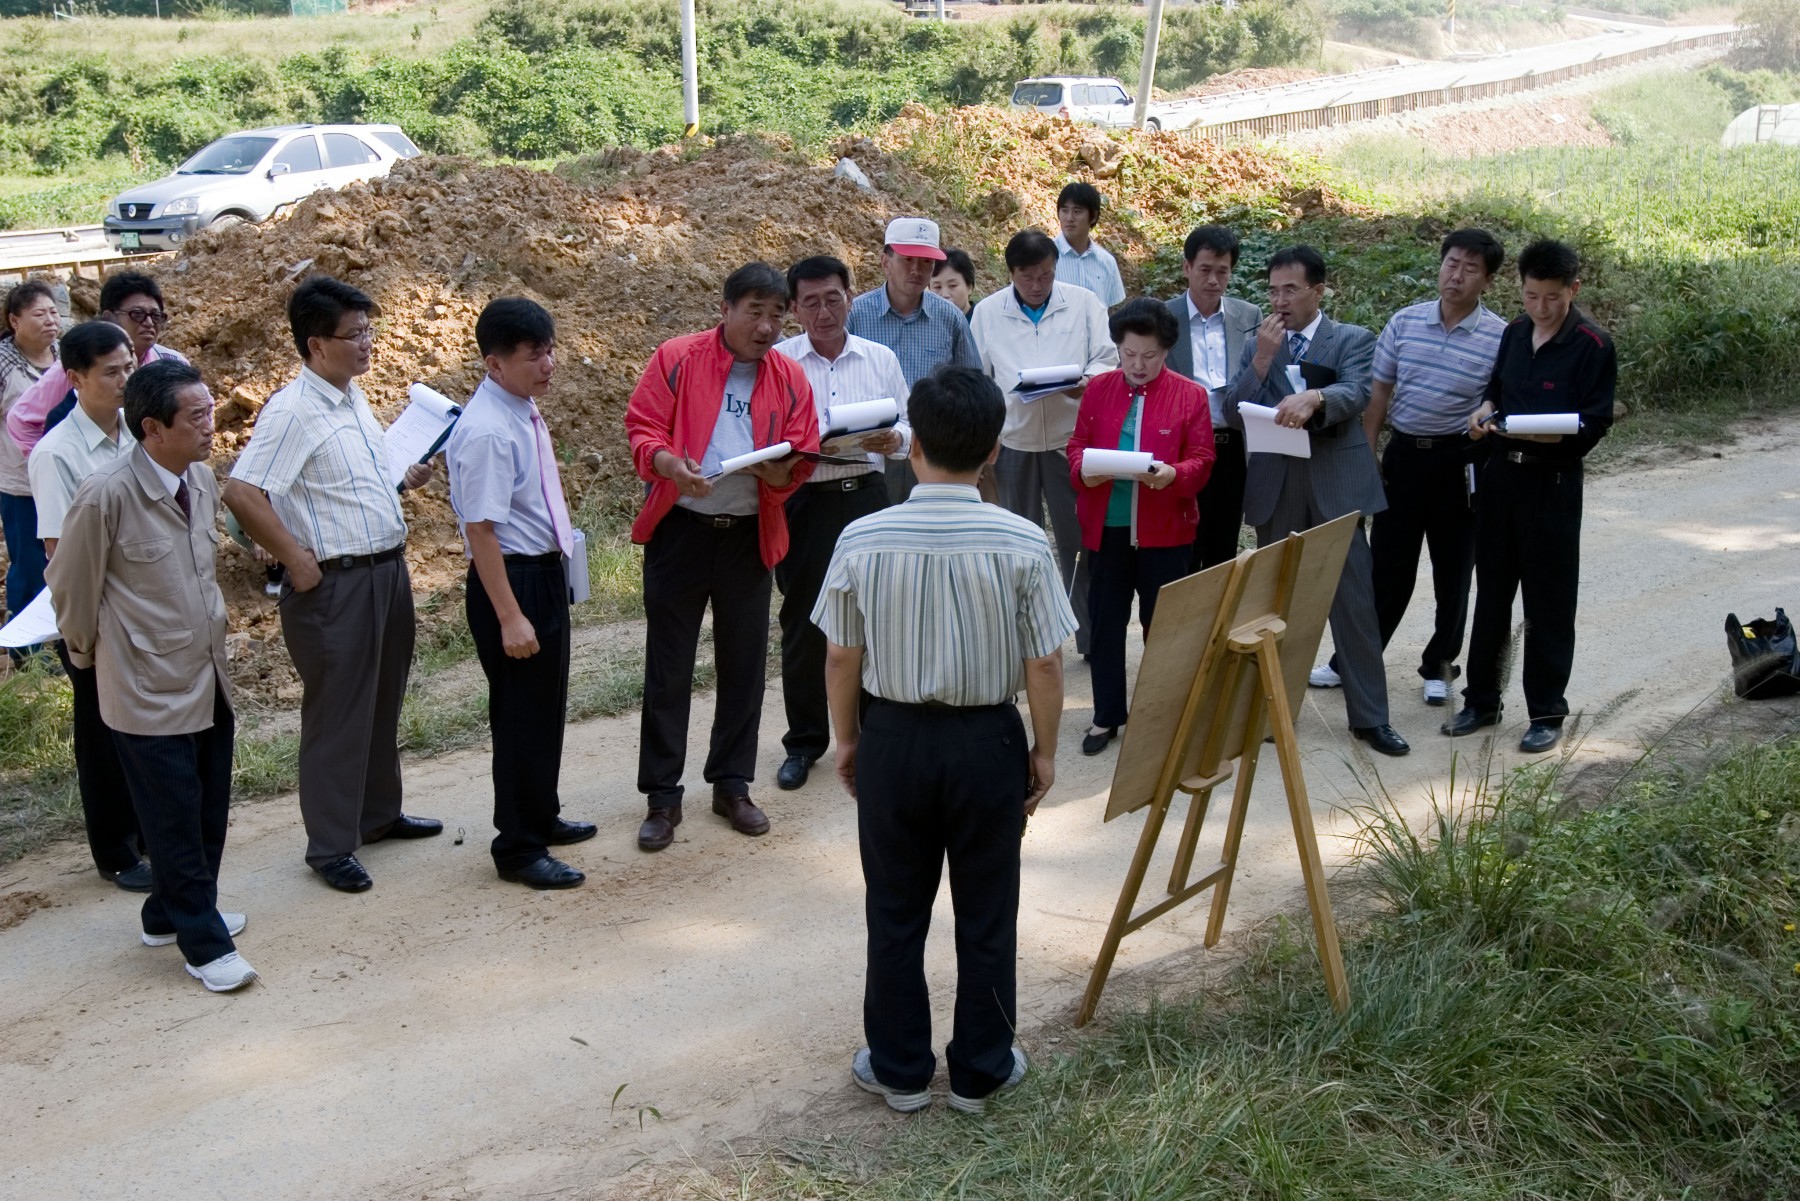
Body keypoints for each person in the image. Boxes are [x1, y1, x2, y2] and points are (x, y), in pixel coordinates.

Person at [813, 365, 1075, 1116]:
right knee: (986, 907)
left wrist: (849, 738)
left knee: (895, 908)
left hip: (893, 736)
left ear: (913, 444)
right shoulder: (1023, 540)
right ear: (994, 448)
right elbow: (1047, 661)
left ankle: (897, 1069)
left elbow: (840, 655)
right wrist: (1045, 752)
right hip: (988, 738)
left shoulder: (864, 535)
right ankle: (980, 1072)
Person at [223, 276, 441, 894]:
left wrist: (404, 478)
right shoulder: (293, 410)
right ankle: (330, 845)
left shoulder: (351, 400)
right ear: (317, 346)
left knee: (381, 700)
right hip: (334, 587)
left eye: (370, 330)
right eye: (356, 335)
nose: (368, 343)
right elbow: (242, 492)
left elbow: (341, 485)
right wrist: (294, 559)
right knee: (339, 714)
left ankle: (377, 815)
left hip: (383, 572)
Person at [46, 360, 255, 992]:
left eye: (209, 410)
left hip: (206, 674)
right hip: (143, 685)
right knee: (171, 817)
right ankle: (203, 942)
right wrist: (88, 658)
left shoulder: (199, 478)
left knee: (208, 807)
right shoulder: (105, 495)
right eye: (196, 417)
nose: (210, 425)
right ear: (152, 428)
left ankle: (168, 911)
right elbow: (70, 590)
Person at [625, 263, 820, 852]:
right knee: (669, 666)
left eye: (776, 314)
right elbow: (643, 427)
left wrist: (779, 470)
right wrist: (669, 465)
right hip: (681, 530)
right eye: (755, 312)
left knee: (744, 664)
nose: (766, 326)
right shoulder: (677, 358)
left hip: (746, 536)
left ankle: (731, 784)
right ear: (727, 309)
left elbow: (801, 454)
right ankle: (662, 797)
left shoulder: (788, 377)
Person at [1222, 245, 1408, 757]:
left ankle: (1370, 718)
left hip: (1335, 484)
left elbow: (1358, 391)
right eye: (1273, 289)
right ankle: (1268, 715)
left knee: (1353, 602)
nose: (1279, 300)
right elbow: (1233, 412)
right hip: (1276, 484)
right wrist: (1260, 361)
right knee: (1273, 606)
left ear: (1317, 291)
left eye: (1291, 289)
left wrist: (1316, 398)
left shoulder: (1351, 337)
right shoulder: (1257, 342)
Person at [445, 298, 596, 890]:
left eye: (550, 350)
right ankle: (518, 847)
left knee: (543, 710)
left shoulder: (519, 408)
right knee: (520, 718)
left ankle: (541, 814)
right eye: (535, 355)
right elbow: (480, 531)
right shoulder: (485, 429)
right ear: (494, 363)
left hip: (541, 575)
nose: (548, 364)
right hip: (512, 582)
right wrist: (511, 617)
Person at [1444, 239, 1616, 754]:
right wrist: (1485, 411)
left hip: (1553, 485)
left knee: (1548, 603)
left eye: (1551, 298)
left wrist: (1535, 432)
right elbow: (1496, 389)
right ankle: (1481, 700)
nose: (1540, 308)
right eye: (1531, 296)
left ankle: (1546, 712)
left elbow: (1594, 423)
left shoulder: (1592, 344)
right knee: (1492, 594)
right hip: (1502, 480)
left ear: (1574, 290)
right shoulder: (1516, 333)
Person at [770, 256, 910, 792]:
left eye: (833, 298)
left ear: (850, 297)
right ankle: (804, 743)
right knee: (804, 621)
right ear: (794, 309)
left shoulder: (879, 358)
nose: (824, 312)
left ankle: (874, 732)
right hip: (805, 501)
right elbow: (769, 439)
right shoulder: (780, 363)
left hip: (868, 497)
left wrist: (893, 440)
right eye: (810, 302)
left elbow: (909, 428)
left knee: (875, 615)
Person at [1353, 229, 1508, 706]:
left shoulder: (1500, 337)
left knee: (1454, 570)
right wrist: (1368, 455)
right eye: (1451, 263)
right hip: (1403, 456)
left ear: (1486, 280)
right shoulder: (1404, 322)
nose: (1456, 275)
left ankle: (1440, 665)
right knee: (1386, 566)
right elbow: (1378, 395)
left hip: (1460, 461)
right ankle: (1358, 661)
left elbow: (1497, 400)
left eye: (1469, 269)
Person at [29, 321, 147, 890]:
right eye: (111, 372)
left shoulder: (139, 431)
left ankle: (149, 833)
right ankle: (116, 851)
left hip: (146, 603)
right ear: (74, 378)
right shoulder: (56, 454)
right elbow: (62, 556)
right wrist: (87, 634)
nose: (125, 380)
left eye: (129, 367)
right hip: (96, 612)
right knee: (102, 734)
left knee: (147, 727)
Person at [1068, 299, 1215, 755]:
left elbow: (1203, 459)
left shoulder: (1190, 395)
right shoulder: (1099, 390)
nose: (1137, 365)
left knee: (1164, 626)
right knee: (1107, 624)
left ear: (1166, 351)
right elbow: (1078, 445)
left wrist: (1175, 475)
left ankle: (1164, 715)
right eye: (1128, 354)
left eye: (1148, 356)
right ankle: (1106, 715)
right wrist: (1083, 471)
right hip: (1108, 527)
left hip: (1165, 530)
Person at [971, 229, 1117, 658]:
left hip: (1070, 443)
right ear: (1010, 272)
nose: (1037, 284)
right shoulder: (988, 312)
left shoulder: (1084, 303)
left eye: (1046, 275)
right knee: (1017, 545)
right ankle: (1024, 646)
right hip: (1011, 442)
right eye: (1027, 276)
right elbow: (980, 376)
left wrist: (1084, 385)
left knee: (1080, 545)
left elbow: (1106, 358)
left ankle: (1090, 642)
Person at [846, 217, 980, 502]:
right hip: (874, 447)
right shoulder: (856, 315)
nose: (917, 270)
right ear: (885, 262)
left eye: (926, 263)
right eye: (907, 260)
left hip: (935, 448)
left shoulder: (950, 318)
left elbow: (972, 383)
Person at [8, 271, 189, 458]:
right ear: (109, 317)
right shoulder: (79, 365)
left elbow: (199, 412)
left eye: (156, 315)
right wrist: (49, 460)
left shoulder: (172, 363)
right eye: (137, 314)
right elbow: (21, 420)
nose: (149, 323)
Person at [1164, 225, 1262, 572]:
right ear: (1187, 267)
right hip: (1181, 447)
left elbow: (1258, 378)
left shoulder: (1248, 317)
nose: (1213, 280)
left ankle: (1218, 625)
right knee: (1182, 545)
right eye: (1205, 269)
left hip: (1231, 445)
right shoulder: (1163, 317)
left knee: (1223, 545)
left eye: (1222, 272)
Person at [0, 281, 61, 631]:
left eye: (53, 312)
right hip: (20, 485)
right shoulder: (5, 364)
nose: (50, 320)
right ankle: (28, 647)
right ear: (14, 321)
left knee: (65, 559)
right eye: (39, 314)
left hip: (66, 477)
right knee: (28, 563)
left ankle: (61, 631)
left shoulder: (67, 355)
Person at [1053, 182, 1126, 308]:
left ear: (1093, 216)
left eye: (1077, 211)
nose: (1069, 218)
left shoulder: (1106, 262)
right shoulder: (1044, 258)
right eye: (1064, 211)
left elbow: (1110, 312)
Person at [929, 248, 977, 317]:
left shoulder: (982, 321)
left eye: (952, 285)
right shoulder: (926, 324)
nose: (945, 295)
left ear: (969, 287)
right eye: (937, 287)